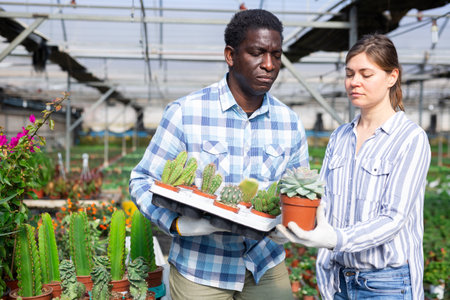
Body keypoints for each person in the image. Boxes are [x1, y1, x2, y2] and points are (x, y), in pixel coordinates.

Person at [129, 9, 309, 300]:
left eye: (276, 55)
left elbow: (297, 193)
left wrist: (289, 224)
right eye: (257, 53)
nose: (268, 65)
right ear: (230, 55)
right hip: (202, 268)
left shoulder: (289, 123)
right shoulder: (187, 113)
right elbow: (141, 180)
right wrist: (177, 224)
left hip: (264, 263)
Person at [276, 34, 431, 299]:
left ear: (392, 77)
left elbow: (393, 218)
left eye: (365, 74)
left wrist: (335, 239)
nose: (354, 82)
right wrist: (290, 223)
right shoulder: (339, 136)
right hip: (337, 280)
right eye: (349, 74)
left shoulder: (410, 139)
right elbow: (321, 200)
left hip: (386, 284)